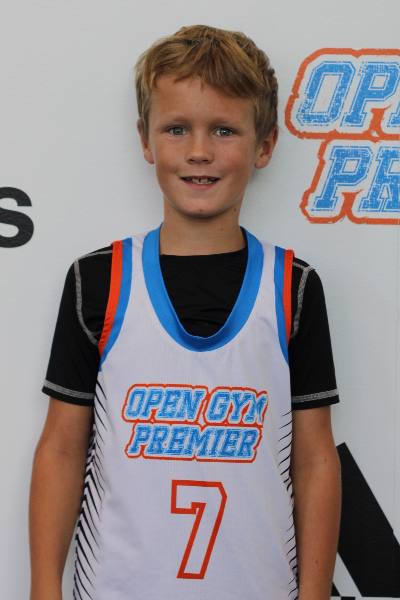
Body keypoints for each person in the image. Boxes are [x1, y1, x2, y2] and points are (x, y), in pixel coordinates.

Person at [29, 25, 341, 600]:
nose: (199, 151)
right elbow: (62, 448)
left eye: (224, 129)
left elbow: (315, 458)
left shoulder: (292, 288)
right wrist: (44, 587)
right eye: (177, 129)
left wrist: (316, 592)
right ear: (146, 140)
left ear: (265, 144)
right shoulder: (97, 281)